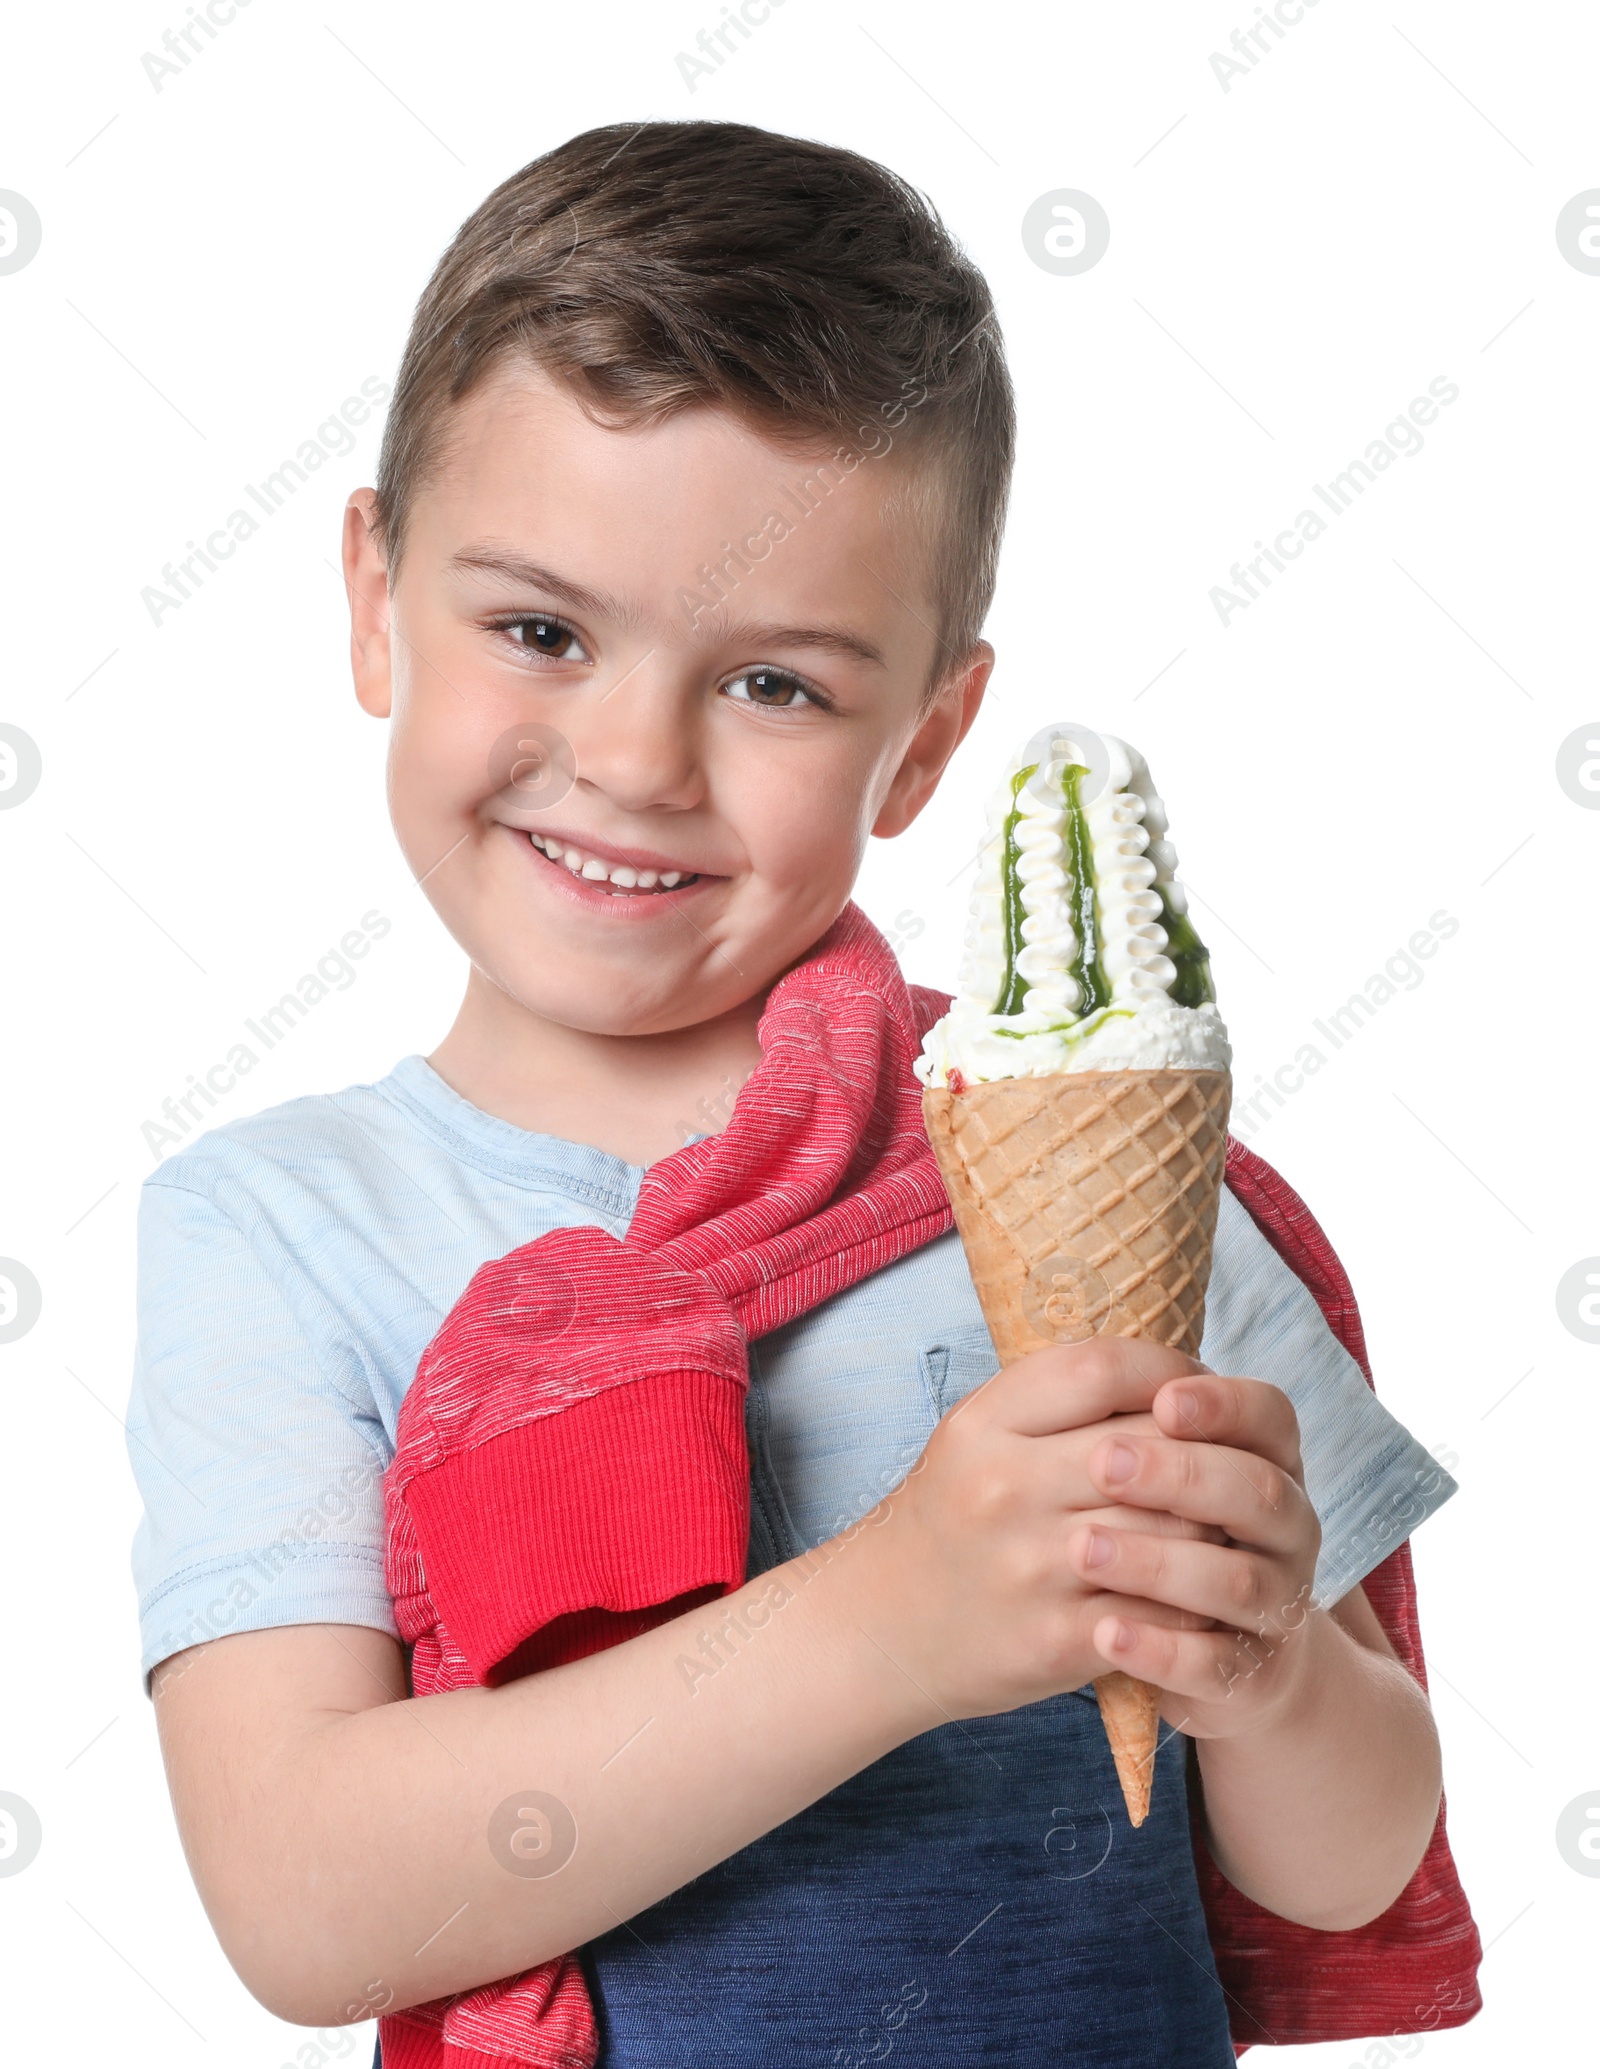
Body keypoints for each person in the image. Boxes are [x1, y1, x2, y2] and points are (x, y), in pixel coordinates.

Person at [127, 121, 1473, 2069]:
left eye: (775, 686)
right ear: (370, 596)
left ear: (922, 742)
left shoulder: (1053, 1147)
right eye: (538, 631)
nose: (636, 755)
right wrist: (890, 1621)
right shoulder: (282, 1226)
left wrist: (1260, 1677)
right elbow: (302, 1899)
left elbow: (1349, 1861)